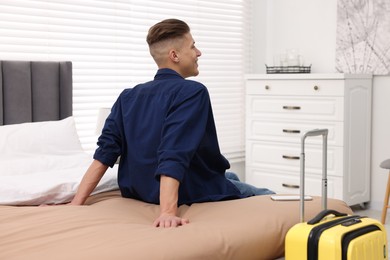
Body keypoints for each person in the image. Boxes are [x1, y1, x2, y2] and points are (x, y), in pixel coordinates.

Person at [69, 18, 274, 228]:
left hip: (141, 189)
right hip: (189, 189)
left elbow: (105, 153)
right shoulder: (192, 92)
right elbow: (173, 153)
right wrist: (167, 212)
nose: (198, 53)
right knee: (271, 197)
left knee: (230, 175)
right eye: (193, 46)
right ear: (174, 55)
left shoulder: (127, 97)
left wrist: (76, 202)